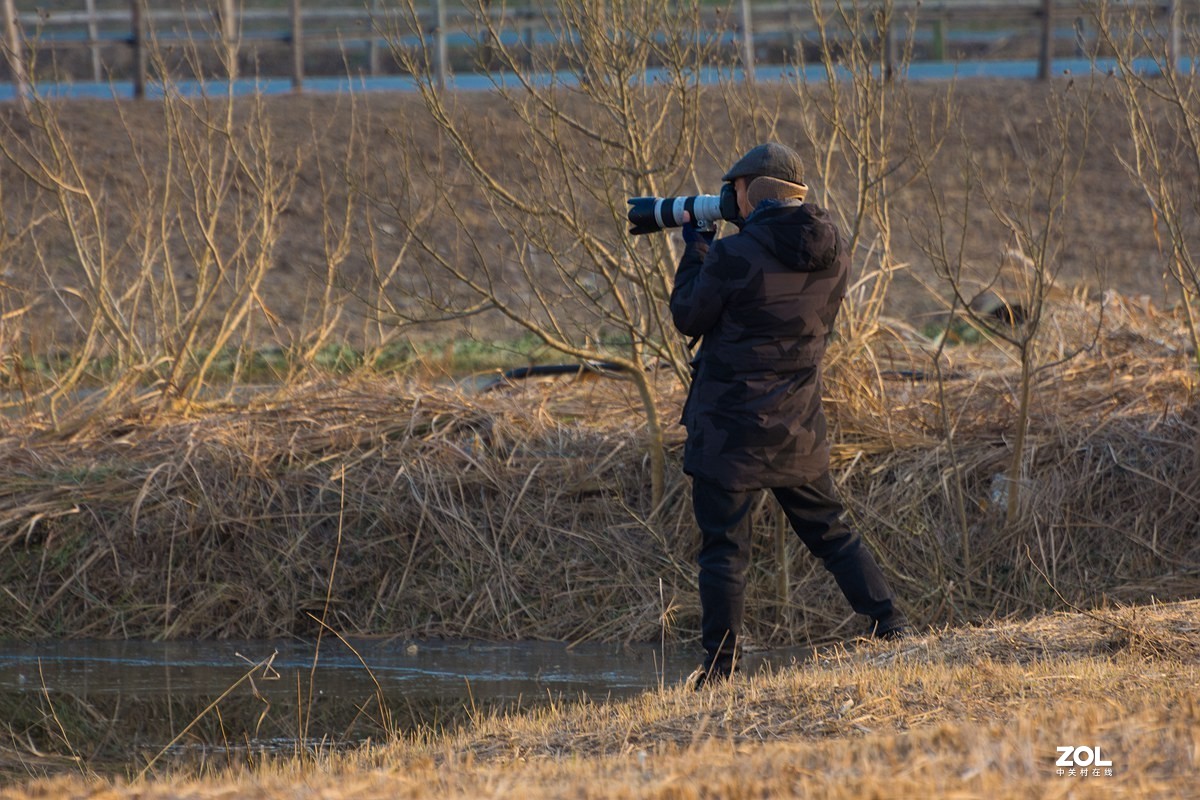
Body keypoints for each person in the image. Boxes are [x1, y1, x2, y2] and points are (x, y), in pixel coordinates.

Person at [669, 142, 908, 689]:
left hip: (730, 432)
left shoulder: (733, 255)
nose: (730, 197)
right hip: (796, 427)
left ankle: (721, 673)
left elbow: (688, 316)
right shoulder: (835, 252)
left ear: (753, 190)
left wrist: (697, 246)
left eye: (735, 188)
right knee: (832, 533)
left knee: (724, 551)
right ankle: (891, 624)